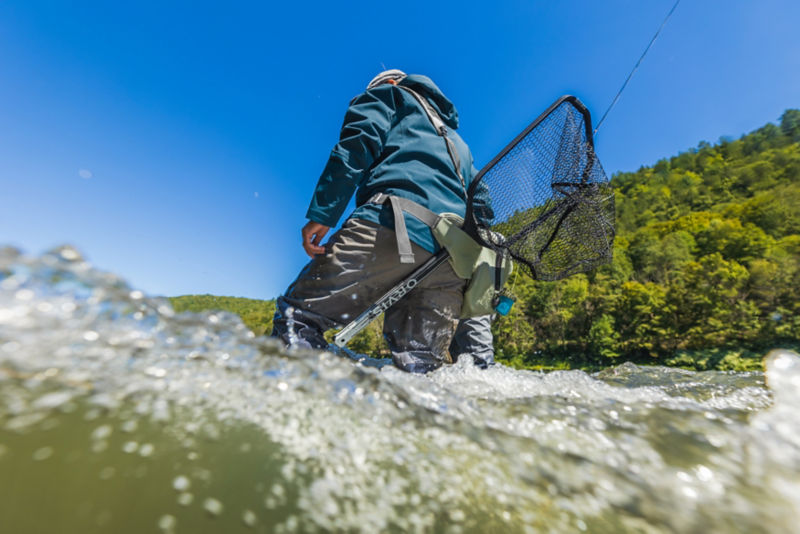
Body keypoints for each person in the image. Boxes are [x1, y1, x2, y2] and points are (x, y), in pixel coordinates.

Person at [271, 69, 492, 372]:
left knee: (297, 317)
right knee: (420, 368)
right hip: (449, 259)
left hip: (391, 226)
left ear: (389, 83)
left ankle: (294, 409)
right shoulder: (459, 144)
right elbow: (483, 202)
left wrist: (323, 214)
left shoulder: (389, 95)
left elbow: (356, 146)